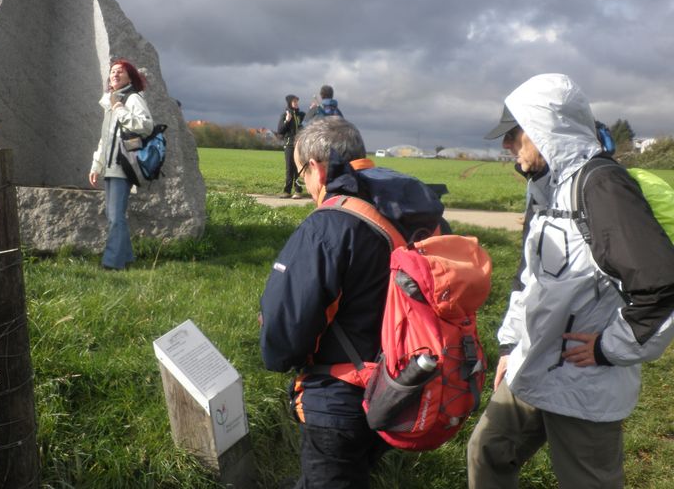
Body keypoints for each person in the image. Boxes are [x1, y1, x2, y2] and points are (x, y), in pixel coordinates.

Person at [467, 73, 674, 488]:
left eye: (514, 133)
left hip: (584, 383)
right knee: (488, 451)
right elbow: (530, 277)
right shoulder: (545, 188)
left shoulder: (601, 186)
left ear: (547, 128)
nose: (507, 146)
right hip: (534, 364)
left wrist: (608, 349)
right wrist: (510, 344)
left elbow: (659, 285)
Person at [260, 117, 444, 488]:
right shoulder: (417, 211)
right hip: (402, 389)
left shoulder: (328, 225)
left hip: (338, 402)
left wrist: (275, 354)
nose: (306, 186)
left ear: (316, 167)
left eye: (301, 175)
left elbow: (286, 331)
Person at [88, 59, 153, 270]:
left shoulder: (132, 98)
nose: (115, 74)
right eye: (113, 71)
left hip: (124, 165)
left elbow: (146, 126)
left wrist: (120, 110)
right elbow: (105, 139)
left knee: (115, 217)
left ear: (129, 77)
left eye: (120, 72)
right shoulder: (111, 101)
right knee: (113, 216)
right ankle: (126, 258)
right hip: (110, 166)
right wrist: (96, 166)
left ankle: (112, 263)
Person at [277, 94, 305, 199]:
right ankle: (287, 191)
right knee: (289, 168)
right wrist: (287, 121)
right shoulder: (285, 115)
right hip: (289, 145)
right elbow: (280, 131)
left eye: (297, 101)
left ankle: (298, 191)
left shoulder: (301, 115)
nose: (297, 103)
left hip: (299, 145)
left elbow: (309, 119)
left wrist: (314, 109)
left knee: (298, 168)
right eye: (294, 101)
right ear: (290, 103)